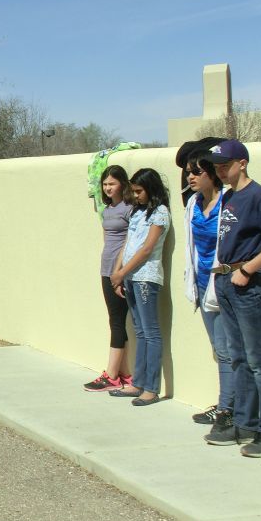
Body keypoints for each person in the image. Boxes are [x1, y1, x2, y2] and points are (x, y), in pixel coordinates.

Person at [197, 140, 261, 459]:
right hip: (226, 280)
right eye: (216, 166)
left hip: (247, 281)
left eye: (224, 165)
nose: (219, 170)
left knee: (259, 360)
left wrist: (249, 270)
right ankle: (244, 423)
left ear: (242, 163)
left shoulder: (260, 197)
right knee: (238, 357)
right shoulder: (228, 195)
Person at [180, 151, 234, 430]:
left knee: (228, 350)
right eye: (188, 172)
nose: (190, 177)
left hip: (224, 284)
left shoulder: (229, 201)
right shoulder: (192, 203)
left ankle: (228, 408)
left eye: (196, 172)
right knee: (219, 348)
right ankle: (228, 404)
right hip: (202, 285)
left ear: (212, 174)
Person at [108, 168, 171, 406]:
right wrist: (119, 273)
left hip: (146, 277)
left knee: (151, 332)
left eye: (139, 191)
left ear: (151, 189)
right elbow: (128, 244)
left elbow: (146, 249)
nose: (135, 195)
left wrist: (123, 272)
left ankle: (151, 388)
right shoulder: (137, 212)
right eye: (133, 191)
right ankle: (138, 382)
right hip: (130, 278)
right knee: (140, 331)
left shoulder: (160, 213)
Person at [84, 165, 134, 392]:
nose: (107, 187)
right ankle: (124, 374)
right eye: (105, 184)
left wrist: (120, 271)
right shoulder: (108, 209)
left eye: (112, 183)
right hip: (105, 270)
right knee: (115, 319)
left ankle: (111, 375)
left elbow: (131, 240)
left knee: (117, 321)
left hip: (120, 272)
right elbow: (107, 239)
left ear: (122, 184)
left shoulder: (129, 208)